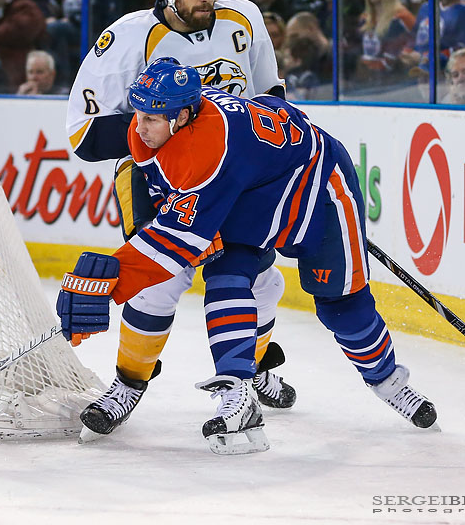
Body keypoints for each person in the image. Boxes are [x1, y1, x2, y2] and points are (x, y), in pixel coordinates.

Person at [56, 57, 438, 454]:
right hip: (249, 188)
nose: (140, 125)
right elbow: (172, 210)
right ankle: (237, 393)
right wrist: (117, 276)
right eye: (139, 113)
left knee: (341, 306)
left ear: (183, 116)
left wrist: (108, 285)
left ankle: (389, 381)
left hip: (316, 180)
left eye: (153, 117)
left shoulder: (207, 147)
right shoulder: (157, 131)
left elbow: (177, 241)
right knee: (227, 275)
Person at [65, 0, 295, 416]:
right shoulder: (127, 37)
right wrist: (167, 122)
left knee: (261, 281)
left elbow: (270, 99)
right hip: (157, 179)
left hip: (233, 177)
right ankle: (129, 383)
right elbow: (83, 136)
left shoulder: (245, 17)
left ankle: (252, 369)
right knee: (158, 281)